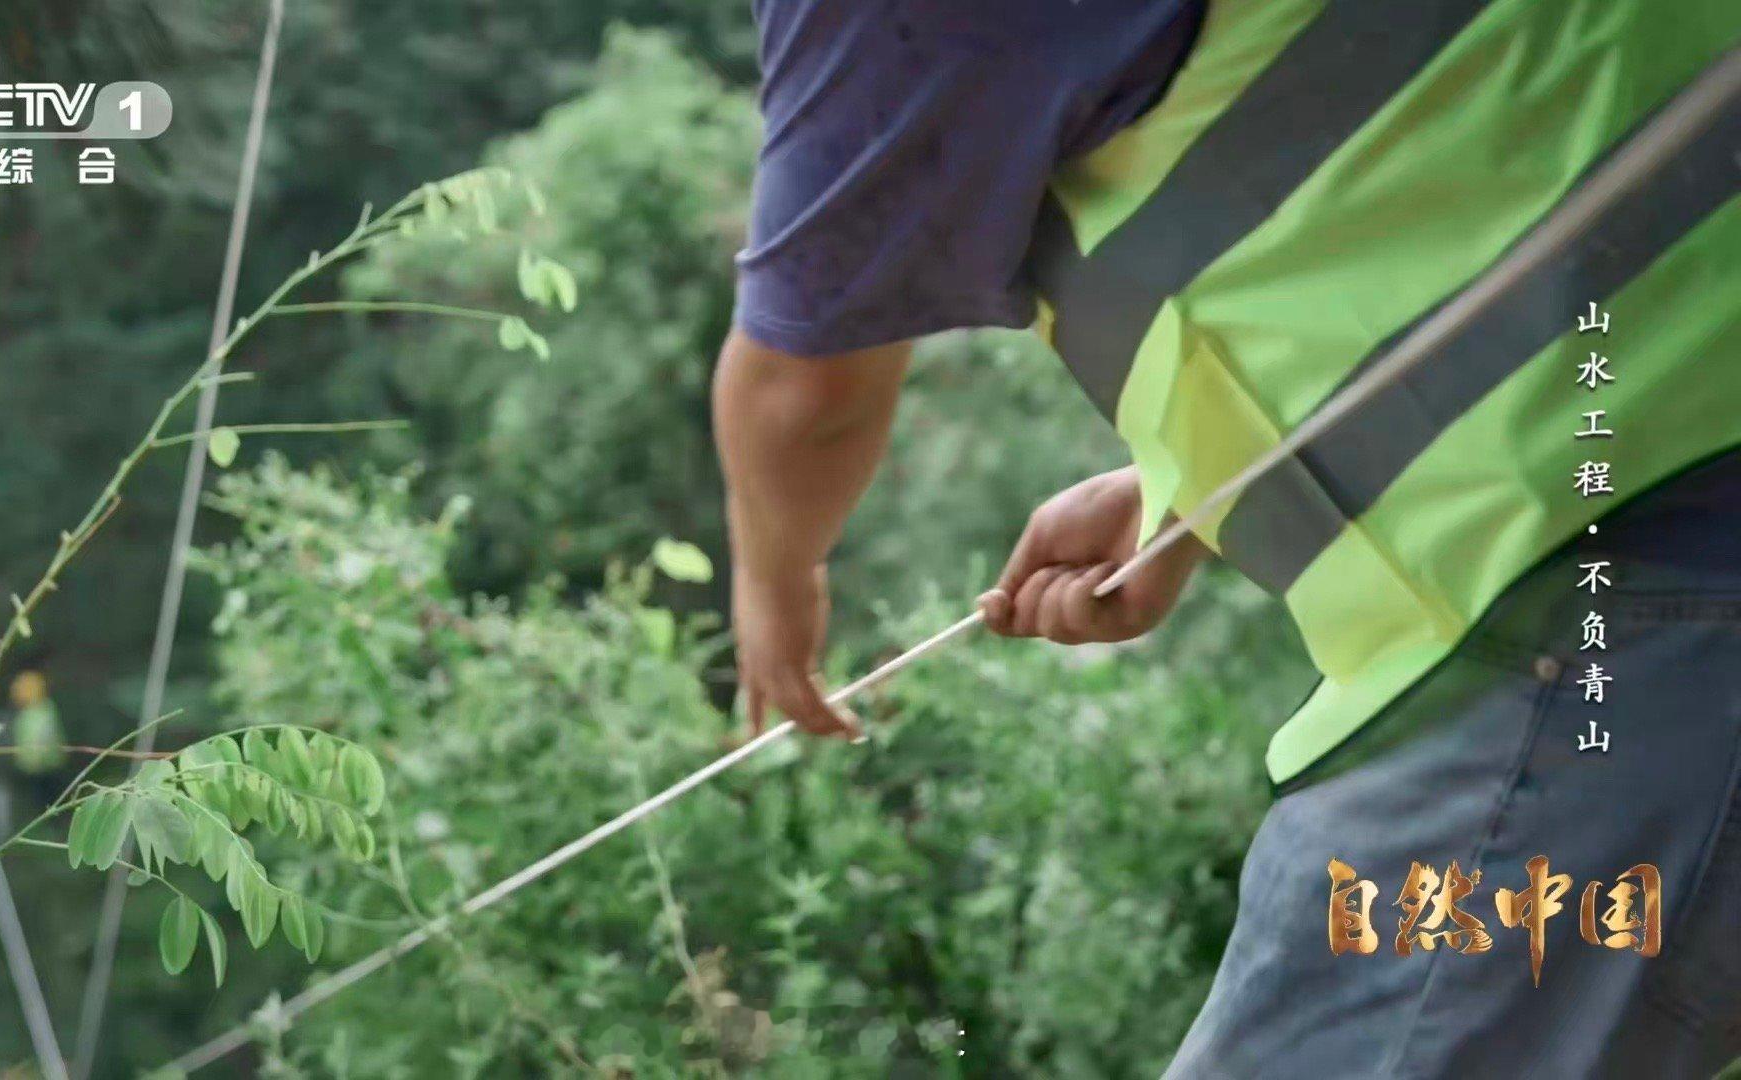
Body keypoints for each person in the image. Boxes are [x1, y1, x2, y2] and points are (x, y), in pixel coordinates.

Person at [714, 0, 1741, 1075]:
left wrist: (776, 582)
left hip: (1610, 588)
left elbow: (803, 393)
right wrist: (1203, 495)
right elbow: (1473, 116)